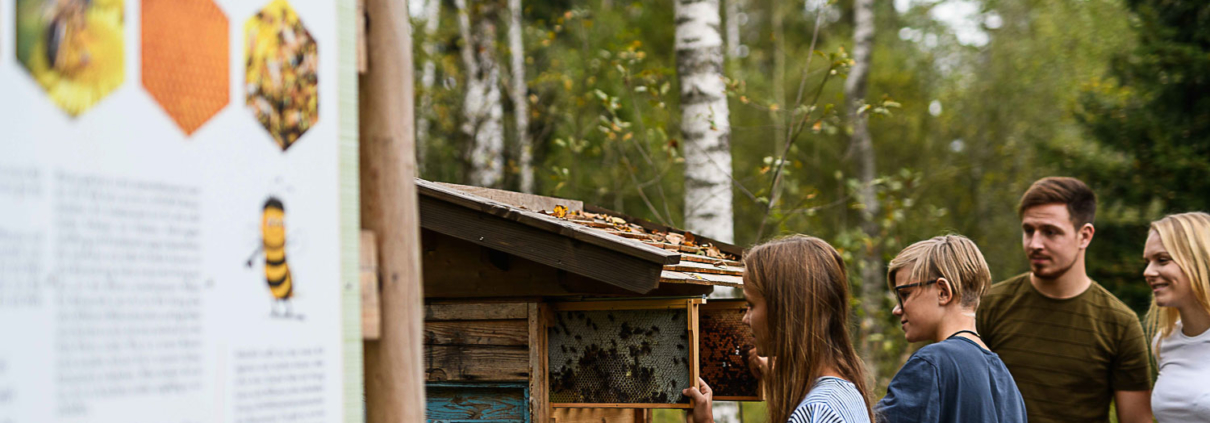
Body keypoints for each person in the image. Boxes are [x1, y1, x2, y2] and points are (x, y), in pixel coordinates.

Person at [976, 176, 1152, 423]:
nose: (1035, 244)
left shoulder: (1120, 324)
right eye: (1029, 231)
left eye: (1050, 232)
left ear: (1085, 236)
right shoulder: (988, 305)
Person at [683, 235, 873, 423]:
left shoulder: (817, 412)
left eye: (751, 305)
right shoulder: (844, 393)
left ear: (783, 310)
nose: (744, 318)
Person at [876, 235, 1026, 422]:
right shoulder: (1007, 383)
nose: (897, 309)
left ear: (943, 292)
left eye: (904, 295)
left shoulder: (932, 363)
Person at [1143, 212, 1210, 422]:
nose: (1148, 272)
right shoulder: (1164, 342)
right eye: (1147, 262)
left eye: (1162, 260)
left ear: (1198, 261)